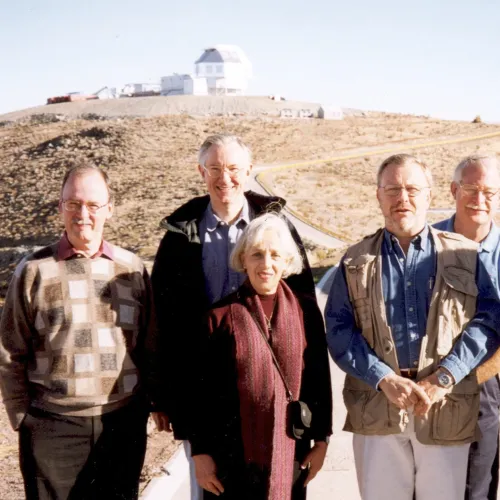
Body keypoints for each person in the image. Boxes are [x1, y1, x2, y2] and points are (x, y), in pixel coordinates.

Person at [149, 134, 317, 499]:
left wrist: (322, 427)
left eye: (234, 169)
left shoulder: (276, 228)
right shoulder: (180, 235)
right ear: (201, 172)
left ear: (249, 171)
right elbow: (162, 321)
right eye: (214, 169)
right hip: (208, 397)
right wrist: (161, 395)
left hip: (273, 395)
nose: (224, 178)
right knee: (215, 490)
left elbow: (308, 324)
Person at [325, 153, 500, 500]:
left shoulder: (466, 255)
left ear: (430, 195)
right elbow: (339, 329)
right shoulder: (355, 260)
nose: (402, 198)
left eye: (411, 189)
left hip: (444, 408)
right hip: (377, 411)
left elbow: (489, 320)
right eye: (392, 189)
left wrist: (445, 377)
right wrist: (383, 378)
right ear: (378, 195)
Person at [0, 161, 157, 499]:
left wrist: (143, 406)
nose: (82, 213)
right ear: (60, 207)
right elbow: (10, 350)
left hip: (121, 423)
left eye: (92, 205)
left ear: (109, 209)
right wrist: (22, 417)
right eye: (73, 203)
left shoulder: (131, 269)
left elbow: (149, 344)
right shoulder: (33, 271)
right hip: (51, 428)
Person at [189, 213, 332, 500]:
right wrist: (200, 454)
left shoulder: (306, 314)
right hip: (229, 459)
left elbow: (319, 380)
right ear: (243, 259)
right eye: (257, 254)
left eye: (275, 255)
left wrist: (322, 441)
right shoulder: (218, 318)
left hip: (292, 452)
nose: (266, 264)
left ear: (286, 262)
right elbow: (198, 395)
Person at [434, 154, 500, 500]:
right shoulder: (426, 243)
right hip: (426, 381)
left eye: (489, 192)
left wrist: (467, 379)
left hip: (484, 386)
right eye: (471, 189)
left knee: (477, 487)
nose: (479, 200)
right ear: (453, 190)